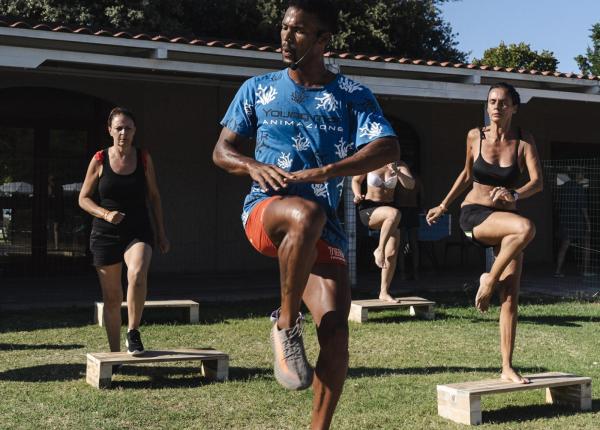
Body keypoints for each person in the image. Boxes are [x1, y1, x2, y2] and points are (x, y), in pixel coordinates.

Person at [212, 1, 399, 427]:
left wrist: (331, 170)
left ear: (322, 40)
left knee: (336, 336)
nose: (285, 36)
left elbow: (388, 147)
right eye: (283, 27)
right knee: (305, 213)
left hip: (323, 231)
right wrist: (251, 165)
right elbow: (221, 151)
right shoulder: (257, 88)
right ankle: (285, 325)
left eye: (298, 30)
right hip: (266, 213)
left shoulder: (351, 96)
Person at [425, 82, 543, 384]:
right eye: (492, 101)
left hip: (507, 223)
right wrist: (443, 205)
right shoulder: (474, 136)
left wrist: (515, 195)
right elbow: (466, 174)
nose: (496, 107)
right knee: (527, 227)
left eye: (503, 102)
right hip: (475, 215)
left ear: (514, 107)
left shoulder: (523, 141)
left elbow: (537, 182)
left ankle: (506, 367)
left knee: (510, 298)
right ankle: (488, 278)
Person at [79, 107, 169, 356]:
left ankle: (133, 331)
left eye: (128, 128)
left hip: (137, 229)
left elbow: (154, 196)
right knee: (111, 298)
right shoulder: (99, 159)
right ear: (110, 130)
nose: (123, 132)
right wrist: (106, 214)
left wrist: (160, 232)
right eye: (118, 128)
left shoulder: (143, 158)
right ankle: (115, 354)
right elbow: (83, 199)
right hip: (105, 234)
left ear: (134, 131)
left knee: (138, 272)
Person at [352, 161, 414, 302]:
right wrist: (357, 194)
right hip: (369, 209)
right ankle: (379, 249)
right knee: (394, 214)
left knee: (391, 253)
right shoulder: (371, 162)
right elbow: (356, 180)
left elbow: (410, 185)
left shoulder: (400, 165)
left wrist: (397, 171)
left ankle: (384, 292)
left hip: (390, 209)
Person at [554, 171, 591, 277]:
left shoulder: (563, 188)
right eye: (583, 175)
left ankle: (558, 271)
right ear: (578, 176)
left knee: (564, 245)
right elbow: (583, 208)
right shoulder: (580, 188)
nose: (584, 177)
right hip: (577, 220)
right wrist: (588, 223)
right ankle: (585, 271)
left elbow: (558, 203)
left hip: (565, 219)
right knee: (586, 244)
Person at [396, 171, 423, 280]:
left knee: (406, 244)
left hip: (407, 210)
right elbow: (423, 197)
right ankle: (408, 272)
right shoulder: (416, 179)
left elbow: (422, 196)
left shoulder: (399, 179)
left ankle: (410, 272)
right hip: (409, 210)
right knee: (410, 244)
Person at [47, 174, 64, 250]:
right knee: (55, 228)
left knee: (55, 228)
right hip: (55, 210)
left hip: (54, 211)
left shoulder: (54, 188)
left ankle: (56, 246)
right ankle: (56, 246)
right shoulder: (59, 188)